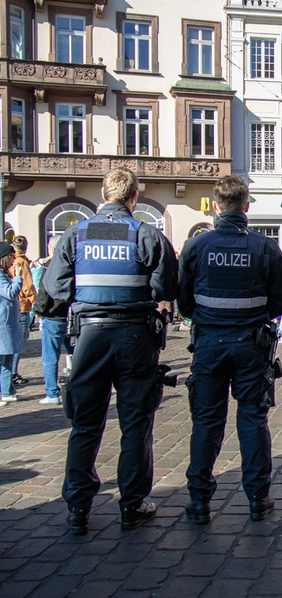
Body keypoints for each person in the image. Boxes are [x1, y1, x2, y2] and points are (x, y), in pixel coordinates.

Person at [43, 167, 179, 535]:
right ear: (134, 197)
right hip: (135, 337)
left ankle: (78, 506)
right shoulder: (146, 234)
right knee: (136, 423)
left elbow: (52, 292)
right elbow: (167, 285)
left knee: (85, 425)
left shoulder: (77, 233)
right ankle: (132, 504)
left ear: (103, 194)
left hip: (90, 337)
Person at [178, 175, 282, 524]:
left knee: (207, 421)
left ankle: (199, 501)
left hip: (209, 343)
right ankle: (257, 498)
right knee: (253, 419)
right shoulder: (265, 247)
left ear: (215, 206)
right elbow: (281, 303)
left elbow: (184, 303)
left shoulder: (196, 246)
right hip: (251, 345)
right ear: (247, 206)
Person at [34, 235, 74, 405]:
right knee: (75, 353)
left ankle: (52, 393)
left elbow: (44, 292)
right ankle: (80, 386)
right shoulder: (73, 264)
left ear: (51, 249)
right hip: (71, 315)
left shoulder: (50, 267)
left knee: (50, 357)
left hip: (54, 316)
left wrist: (39, 311)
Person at [0, 243, 24, 406]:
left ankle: (9, 390)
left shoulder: (3, 273)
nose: (13, 261)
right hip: (3, 324)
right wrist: (18, 277)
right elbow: (10, 293)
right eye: (11, 257)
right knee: (3, 359)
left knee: (8, 359)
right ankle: (5, 392)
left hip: (7, 322)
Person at [11, 235, 36, 386]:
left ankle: (10, 373)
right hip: (22, 306)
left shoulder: (9, 260)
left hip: (13, 305)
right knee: (18, 342)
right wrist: (37, 303)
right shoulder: (22, 263)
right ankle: (13, 373)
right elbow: (27, 286)